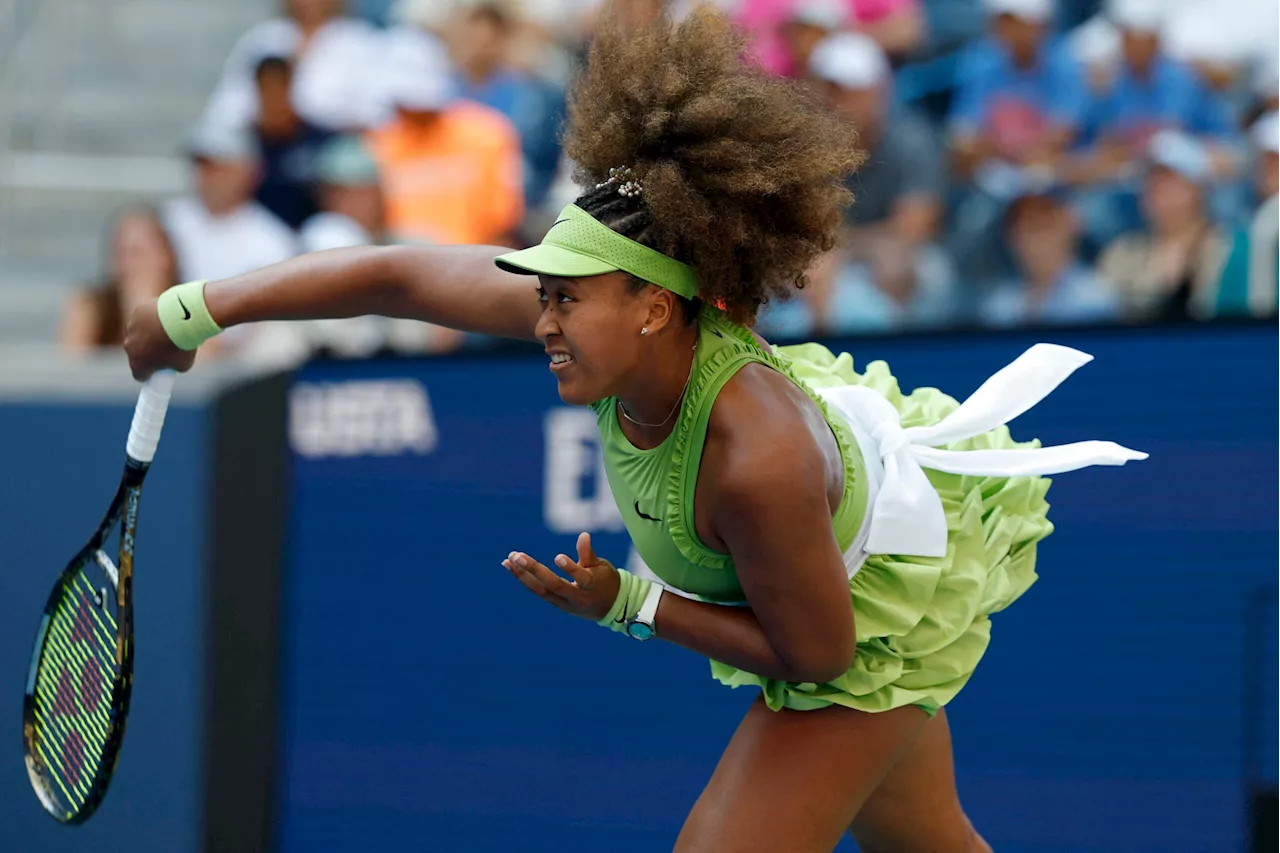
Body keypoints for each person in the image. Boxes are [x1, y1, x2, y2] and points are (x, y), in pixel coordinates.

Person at [125, 10, 1145, 851]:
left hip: (856, 625)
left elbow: (821, 654)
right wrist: (194, 310)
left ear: (653, 307)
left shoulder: (756, 459)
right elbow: (392, 271)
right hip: (851, 558)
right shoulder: (602, 325)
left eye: (568, 301)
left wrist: (630, 604)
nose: (543, 320)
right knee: (926, 836)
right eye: (544, 297)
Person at [1097, 128, 1231, 322]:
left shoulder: (1228, 246)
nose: (1157, 190)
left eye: (1170, 180)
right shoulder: (1122, 252)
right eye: (1151, 181)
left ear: (1198, 188)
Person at [978, 186, 1121, 327]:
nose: (1032, 240)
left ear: (1067, 228)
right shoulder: (999, 303)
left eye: (1042, 226)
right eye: (1022, 229)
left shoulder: (1096, 295)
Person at [61, 206, 179, 352]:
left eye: (137, 253)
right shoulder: (90, 306)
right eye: (119, 254)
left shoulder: (193, 308)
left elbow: (201, 366)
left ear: (165, 257)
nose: (128, 265)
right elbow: (72, 365)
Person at [251, 56, 335, 230]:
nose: (274, 97)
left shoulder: (320, 140)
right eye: (267, 88)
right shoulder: (246, 145)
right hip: (259, 237)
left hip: (312, 235)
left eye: (279, 86)